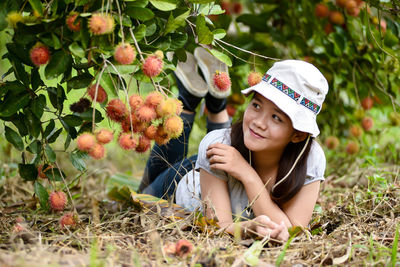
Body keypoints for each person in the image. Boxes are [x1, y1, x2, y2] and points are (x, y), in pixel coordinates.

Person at [138, 49, 328, 242]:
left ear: (298, 135)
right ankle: (189, 101)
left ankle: (215, 102)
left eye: (276, 117)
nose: (259, 122)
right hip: (192, 177)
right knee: (141, 198)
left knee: (226, 142)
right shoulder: (218, 145)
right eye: (256, 105)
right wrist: (245, 177)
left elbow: (291, 232)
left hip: (230, 159)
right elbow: (217, 226)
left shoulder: (310, 158)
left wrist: (247, 174)